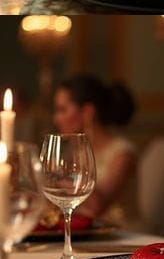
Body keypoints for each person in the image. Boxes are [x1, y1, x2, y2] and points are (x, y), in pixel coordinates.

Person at [52, 74, 137, 225]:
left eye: (62, 110)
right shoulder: (72, 151)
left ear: (87, 112)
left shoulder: (123, 154)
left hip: (124, 236)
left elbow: (97, 206)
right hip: (88, 234)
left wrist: (51, 175)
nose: (56, 118)